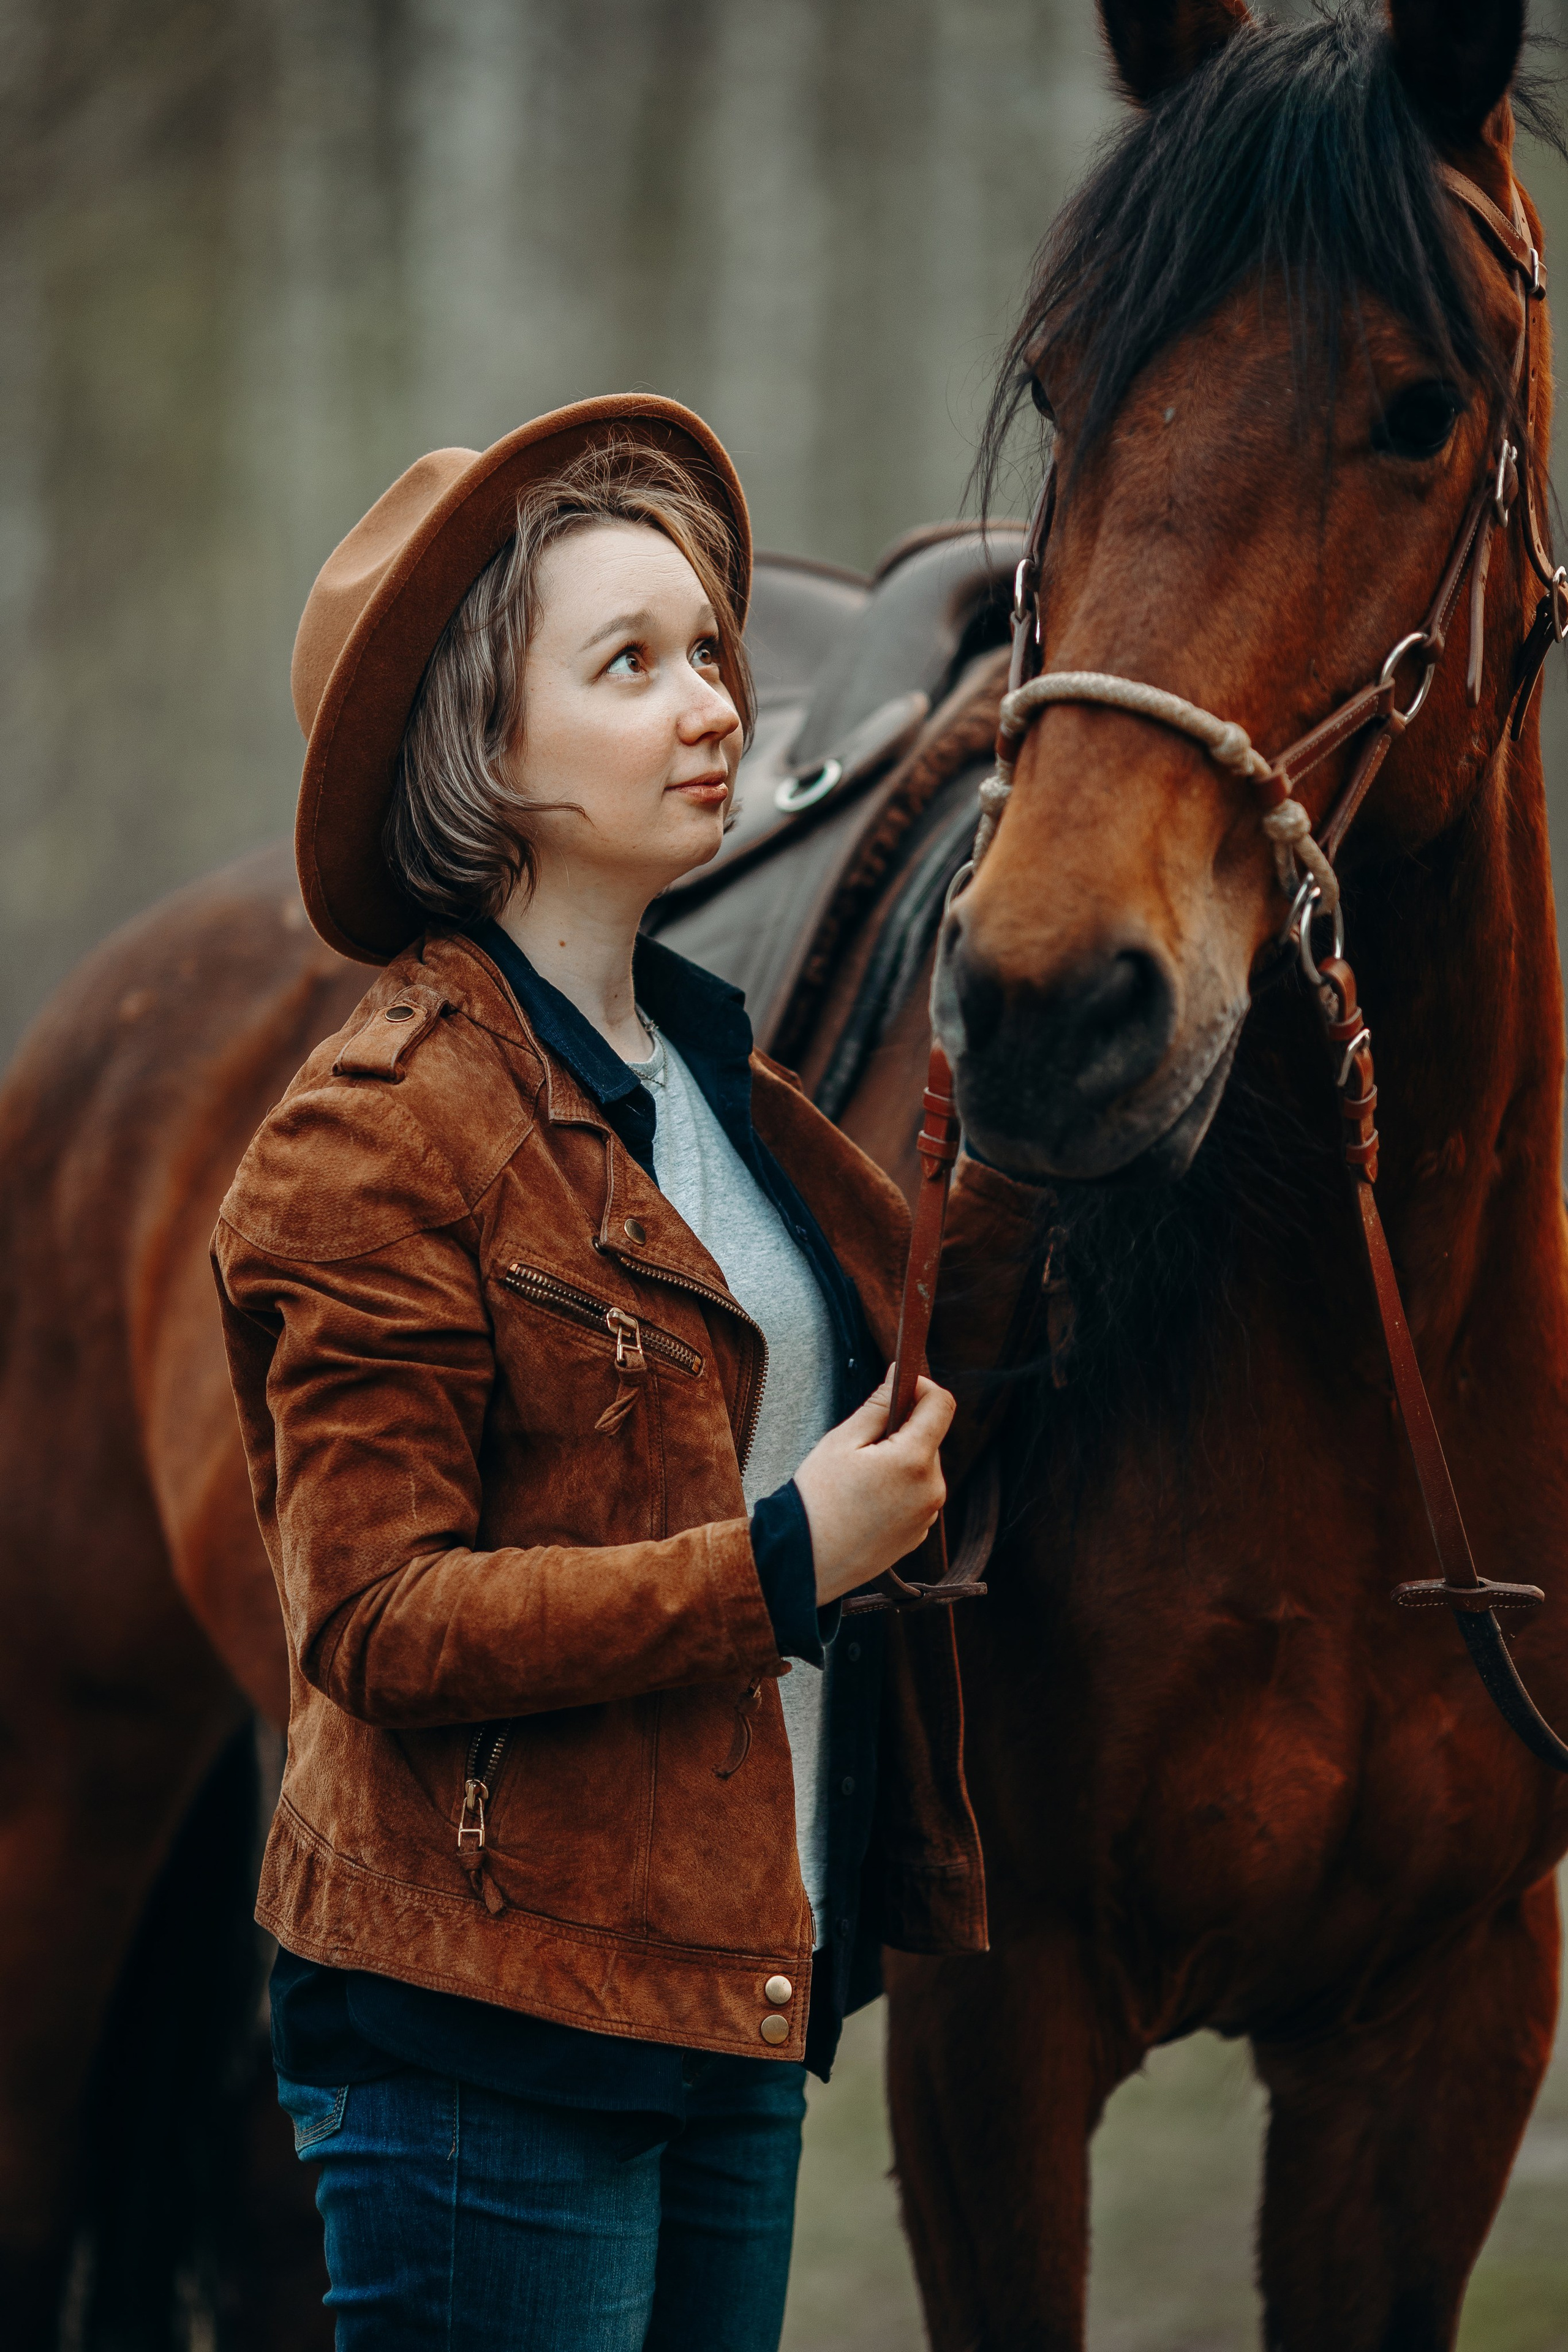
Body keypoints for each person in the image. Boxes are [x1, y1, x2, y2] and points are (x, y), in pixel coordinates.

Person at [213, 394, 1042, 2350]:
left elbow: (938, 1334)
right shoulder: (373, 1133)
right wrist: (784, 1560)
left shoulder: (715, 1084)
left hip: (727, 1994)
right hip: (488, 2034)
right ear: (477, 751)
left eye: (710, 655)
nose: (717, 707)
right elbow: (377, 1618)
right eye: (633, 664)